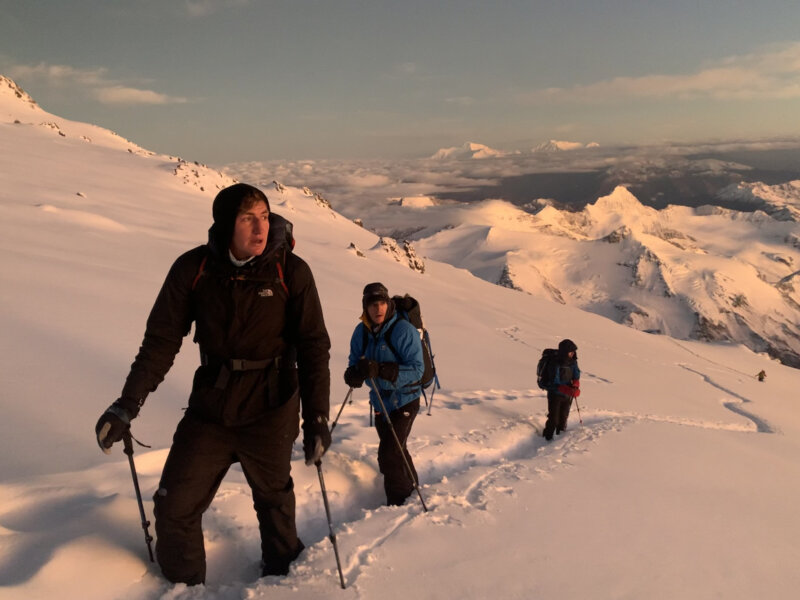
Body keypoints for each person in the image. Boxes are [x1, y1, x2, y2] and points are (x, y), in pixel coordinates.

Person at [94, 183, 331, 585]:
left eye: (264, 216)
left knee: (274, 503)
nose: (260, 228)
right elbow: (161, 342)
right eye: (247, 219)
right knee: (173, 508)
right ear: (225, 226)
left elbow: (313, 348)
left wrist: (317, 418)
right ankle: (185, 590)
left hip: (271, 406)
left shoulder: (290, 271)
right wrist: (127, 404)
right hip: (212, 407)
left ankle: (283, 583)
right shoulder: (194, 270)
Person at [343, 283, 424, 506]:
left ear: (388, 304)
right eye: (373, 305)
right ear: (365, 308)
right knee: (397, 449)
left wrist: (380, 370)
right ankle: (413, 489)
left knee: (389, 454)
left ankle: (398, 504)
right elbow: (354, 361)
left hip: (406, 399)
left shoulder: (403, 330)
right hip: (380, 401)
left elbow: (418, 369)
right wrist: (354, 374)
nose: (378, 309)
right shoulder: (361, 332)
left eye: (382, 303)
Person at [542, 339, 581, 441]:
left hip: (567, 394)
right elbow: (553, 382)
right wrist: (566, 389)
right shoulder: (555, 363)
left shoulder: (573, 361)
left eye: (573, 352)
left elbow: (576, 374)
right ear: (565, 352)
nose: (573, 354)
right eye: (570, 352)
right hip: (555, 394)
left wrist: (576, 384)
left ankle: (560, 438)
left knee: (563, 418)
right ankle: (547, 438)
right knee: (554, 419)